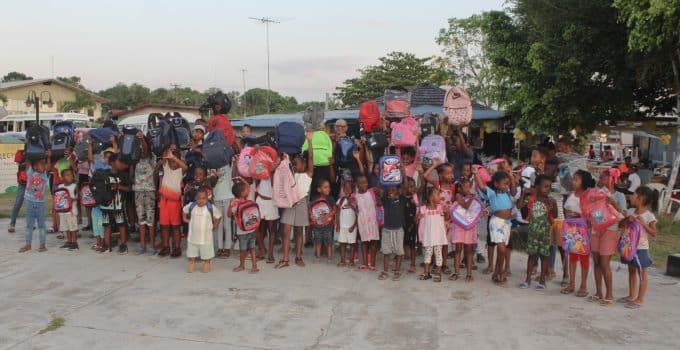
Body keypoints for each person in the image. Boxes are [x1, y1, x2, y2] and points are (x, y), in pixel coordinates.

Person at [277, 131, 314, 269]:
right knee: (286, 232)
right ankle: (285, 259)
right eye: (293, 164)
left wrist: (309, 141)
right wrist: (287, 160)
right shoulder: (291, 174)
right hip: (289, 203)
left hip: (301, 203)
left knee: (299, 232)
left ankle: (298, 257)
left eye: (297, 164)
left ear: (304, 165)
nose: (294, 165)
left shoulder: (308, 174)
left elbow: (310, 156)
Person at [474, 168, 517, 286]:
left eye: (508, 184)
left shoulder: (508, 193)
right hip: (497, 222)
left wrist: (511, 177)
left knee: (502, 251)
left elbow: (514, 191)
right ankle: (499, 272)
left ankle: (497, 272)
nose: (507, 186)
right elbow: (482, 186)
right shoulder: (492, 193)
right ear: (496, 184)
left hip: (507, 224)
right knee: (502, 249)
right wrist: (476, 173)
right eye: (505, 184)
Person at [591, 169, 626, 305]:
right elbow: (593, 210)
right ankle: (598, 292)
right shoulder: (597, 193)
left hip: (610, 231)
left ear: (612, 180)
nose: (600, 181)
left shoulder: (619, 196)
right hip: (596, 229)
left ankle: (609, 294)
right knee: (597, 262)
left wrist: (613, 203)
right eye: (600, 178)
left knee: (605, 263)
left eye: (603, 178)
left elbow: (623, 215)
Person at [618, 186, 657, 309]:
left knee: (642, 272)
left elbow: (654, 233)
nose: (631, 196)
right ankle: (631, 295)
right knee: (631, 271)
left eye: (634, 194)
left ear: (641, 198)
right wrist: (627, 220)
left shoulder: (649, 215)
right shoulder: (630, 211)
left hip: (641, 248)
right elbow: (620, 225)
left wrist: (643, 223)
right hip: (629, 247)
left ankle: (640, 299)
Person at [561, 170, 595, 297]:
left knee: (584, 257)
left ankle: (583, 285)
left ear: (583, 182)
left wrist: (578, 215)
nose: (573, 182)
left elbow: (591, 214)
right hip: (570, 230)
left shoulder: (588, 196)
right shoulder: (571, 194)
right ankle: (571, 283)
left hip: (582, 230)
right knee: (572, 257)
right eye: (573, 179)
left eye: (576, 179)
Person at [518, 175, 557, 290]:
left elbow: (555, 215)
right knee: (531, 256)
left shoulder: (550, 201)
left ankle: (542, 281)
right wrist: (524, 194)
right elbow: (519, 206)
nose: (548, 189)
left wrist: (553, 205)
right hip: (533, 233)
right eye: (545, 186)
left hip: (545, 234)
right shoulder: (531, 199)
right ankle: (527, 280)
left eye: (549, 187)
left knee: (545, 256)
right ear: (537, 187)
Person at [155, 146, 188, 258]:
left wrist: (174, 157)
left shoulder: (180, 170)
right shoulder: (166, 167)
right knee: (164, 225)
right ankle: (165, 247)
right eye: (170, 161)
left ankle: (177, 248)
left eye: (174, 161)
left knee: (175, 226)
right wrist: (168, 151)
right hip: (164, 200)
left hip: (175, 201)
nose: (172, 163)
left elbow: (185, 167)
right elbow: (164, 156)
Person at [423, 160, 455, 275]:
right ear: (440, 175)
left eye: (451, 173)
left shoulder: (453, 187)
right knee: (434, 240)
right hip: (436, 219)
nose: (451, 175)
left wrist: (450, 212)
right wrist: (434, 166)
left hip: (447, 220)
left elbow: (453, 202)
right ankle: (433, 262)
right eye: (448, 173)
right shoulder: (438, 185)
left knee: (444, 242)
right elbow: (425, 175)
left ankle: (443, 264)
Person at [98, 154, 132, 254]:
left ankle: (123, 244)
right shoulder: (104, 174)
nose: (121, 164)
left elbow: (129, 188)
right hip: (106, 204)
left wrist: (119, 187)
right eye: (119, 161)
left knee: (121, 223)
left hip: (118, 204)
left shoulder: (123, 175)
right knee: (106, 224)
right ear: (112, 162)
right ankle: (107, 245)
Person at [183, 187, 221, 273]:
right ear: (195, 198)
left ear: (207, 198)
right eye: (199, 198)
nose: (201, 200)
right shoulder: (192, 206)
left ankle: (206, 263)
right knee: (192, 253)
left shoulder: (210, 207)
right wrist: (184, 218)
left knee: (206, 253)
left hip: (206, 238)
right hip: (193, 237)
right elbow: (184, 210)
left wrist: (215, 225)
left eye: (204, 198)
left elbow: (218, 216)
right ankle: (192, 263)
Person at [450, 177, 481, 282]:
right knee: (458, 249)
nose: (468, 189)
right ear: (460, 189)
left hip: (470, 226)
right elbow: (466, 206)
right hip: (459, 226)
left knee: (469, 250)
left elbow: (477, 209)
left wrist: (484, 212)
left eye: (470, 187)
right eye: (466, 187)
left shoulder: (473, 198)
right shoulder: (458, 196)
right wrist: (472, 196)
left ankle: (469, 273)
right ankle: (456, 272)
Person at [19, 156, 51, 253]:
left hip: (40, 204)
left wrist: (48, 157)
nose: (38, 167)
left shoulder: (44, 175)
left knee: (41, 225)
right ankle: (28, 244)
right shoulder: (30, 172)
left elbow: (48, 167)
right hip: (29, 202)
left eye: (40, 164)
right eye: (36, 165)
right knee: (29, 225)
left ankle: (42, 245)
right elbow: (28, 160)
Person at [132, 132, 157, 255]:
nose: (142, 150)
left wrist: (142, 139)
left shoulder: (152, 158)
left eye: (143, 146)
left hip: (150, 192)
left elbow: (146, 149)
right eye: (140, 148)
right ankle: (142, 245)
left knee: (150, 220)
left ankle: (152, 245)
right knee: (141, 220)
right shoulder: (135, 158)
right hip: (138, 191)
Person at [418, 187, 448, 282]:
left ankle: (438, 273)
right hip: (429, 236)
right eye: (437, 194)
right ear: (431, 197)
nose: (440, 196)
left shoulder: (440, 208)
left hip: (438, 237)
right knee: (427, 254)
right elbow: (418, 220)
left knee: (438, 254)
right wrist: (418, 216)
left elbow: (444, 218)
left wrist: (446, 212)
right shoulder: (423, 209)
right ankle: (426, 273)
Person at [350, 174, 380, 271]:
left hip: (372, 221)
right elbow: (354, 208)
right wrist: (351, 202)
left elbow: (380, 192)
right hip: (362, 222)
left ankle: (373, 263)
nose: (365, 184)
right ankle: (365, 263)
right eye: (361, 183)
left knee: (373, 242)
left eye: (366, 182)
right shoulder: (355, 196)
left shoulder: (372, 191)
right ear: (357, 185)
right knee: (364, 242)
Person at [229, 181, 259, 274]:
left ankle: (242, 265)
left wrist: (230, 206)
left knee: (243, 250)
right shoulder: (249, 201)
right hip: (252, 228)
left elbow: (229, 214)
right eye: (246, 189)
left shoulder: (235, 203)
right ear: (242, 193)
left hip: (241, 231)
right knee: (252, 248)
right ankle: (254, 266)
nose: (248, 190)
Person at [379, 186, 406, 281]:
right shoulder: (386, 200)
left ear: (398, 191)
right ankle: (385, 271)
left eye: (393, 190)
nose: (391, 192)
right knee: (386, 252)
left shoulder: (401, 199)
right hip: (386, 230)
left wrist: (402, 172)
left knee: (399, 252)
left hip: (398, 230)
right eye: (389, 190)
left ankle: (397, 271)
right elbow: (379, 198)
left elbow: (405, 186)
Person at [310, 179, 336, 263]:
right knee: (317, 241)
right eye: (325, 187)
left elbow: (335, 210)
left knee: (329, 241)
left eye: (329, 187)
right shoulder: (314, 198)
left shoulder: (331, 199)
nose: (328, 189)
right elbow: (310, 208)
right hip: (316, 225)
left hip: (328, 224)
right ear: (319, 189)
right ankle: (317, 257)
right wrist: (311, 215)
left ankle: (329, 258)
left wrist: (328, 215)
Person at [335, 180, 357, 267]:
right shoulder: (340, 200)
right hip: (342, 226)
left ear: (352, 189)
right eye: (345, 188)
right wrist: (337, 224)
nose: (347, 190)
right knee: (342, 243)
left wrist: (354, 225)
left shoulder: (354, 200)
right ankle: (342, 260)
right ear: (343, 189)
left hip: (352, 227)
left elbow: (357, 213)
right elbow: (337, 212)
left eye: (349, 188)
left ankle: (351, 260)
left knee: (352, 244)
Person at [57, 169, 80, 251]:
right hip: (63, 211)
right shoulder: (60, 187)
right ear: (62, 177)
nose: (70, 176)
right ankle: (69, 241)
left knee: (72, 228)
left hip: (71, 211)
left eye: (71, 175)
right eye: (67, 175)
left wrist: (71, 199)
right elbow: (57, 197)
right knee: (66, 227)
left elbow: (77, 197)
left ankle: (74, 243)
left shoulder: (74, 186)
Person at [402, 177, 419, 274]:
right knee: (403, 243)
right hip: (403, 223)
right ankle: (401, 260)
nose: (411, 189)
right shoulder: (402, 197)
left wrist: (416, 217)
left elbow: (418, 208)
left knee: (413, 245)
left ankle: (413, 264)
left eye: (413, 186)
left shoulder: (415, 197)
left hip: (412, 224)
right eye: (409, 187)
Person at [9, 148, 27, 233]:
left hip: (33, 182)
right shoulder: (21, 152)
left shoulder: (38, 151)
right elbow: (20, 165)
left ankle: (30, 223)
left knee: (31, 204)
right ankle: (12, 224)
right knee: (18, 203)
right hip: (23, 182)